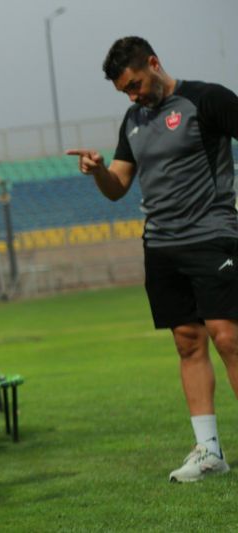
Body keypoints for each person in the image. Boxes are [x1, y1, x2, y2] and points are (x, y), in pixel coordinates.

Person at [67, 36, 238, 483]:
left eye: (136, 84)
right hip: (161, 244)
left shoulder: (207, 99)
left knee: (227, 337)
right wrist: (99, 170)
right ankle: (209, 452)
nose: (134, 95)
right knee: (187, 341)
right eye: (125, 90)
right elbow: (119, 186)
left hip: (212, 236)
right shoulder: (132, 119)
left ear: (155, 64)